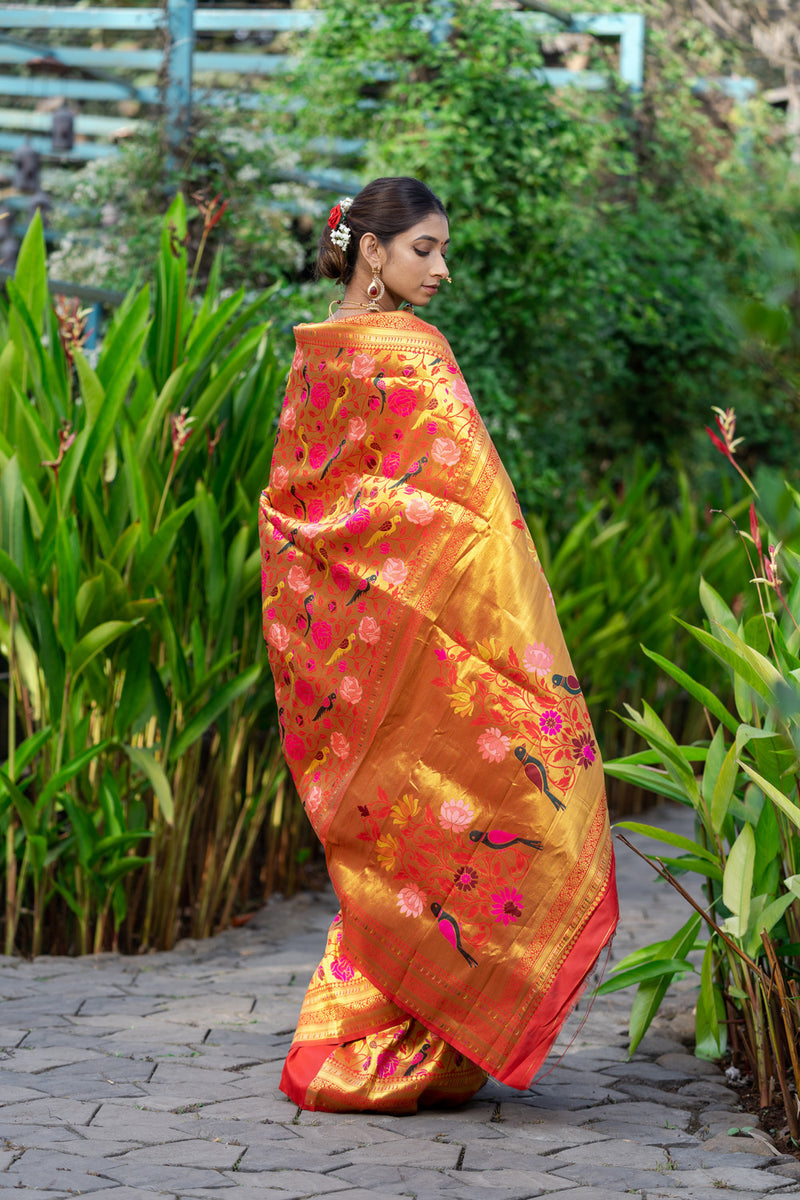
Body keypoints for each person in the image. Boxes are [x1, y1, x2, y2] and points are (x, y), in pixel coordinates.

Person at [258, 176, 618, 1114]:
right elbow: (476, 521)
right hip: (411, 646)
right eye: (425, 249)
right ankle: (391, 1034)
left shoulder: (314, 354)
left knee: (415, 833)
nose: (443, 269)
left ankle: (409, 1036)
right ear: (371, 251)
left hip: (370, 652)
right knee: (446, 822)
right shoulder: (410, 355)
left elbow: (305, 513)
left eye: (444, 250)